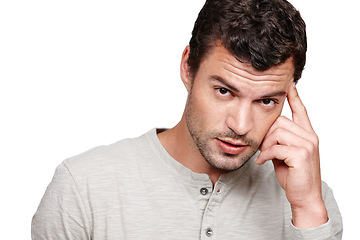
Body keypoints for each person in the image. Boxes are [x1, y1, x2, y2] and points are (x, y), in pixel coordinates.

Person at [32, 0, 343, 239]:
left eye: (265, 101)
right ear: (187, 67)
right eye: (224, 91)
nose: (241, 125)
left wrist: (307, 209)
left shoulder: (311, 201)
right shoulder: (83, 186)